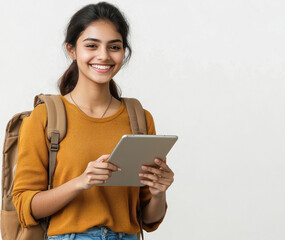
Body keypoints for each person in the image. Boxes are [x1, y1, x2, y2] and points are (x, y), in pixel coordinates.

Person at [12, 2, 174, 240]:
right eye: (91, 45)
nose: (104, 56)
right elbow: (25, 207)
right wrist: (81, 182)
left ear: (123, 52)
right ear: (72, 50)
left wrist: (159, 193)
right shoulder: (45, 116)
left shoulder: (139, 118)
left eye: (114, 47)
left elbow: (148, 219)